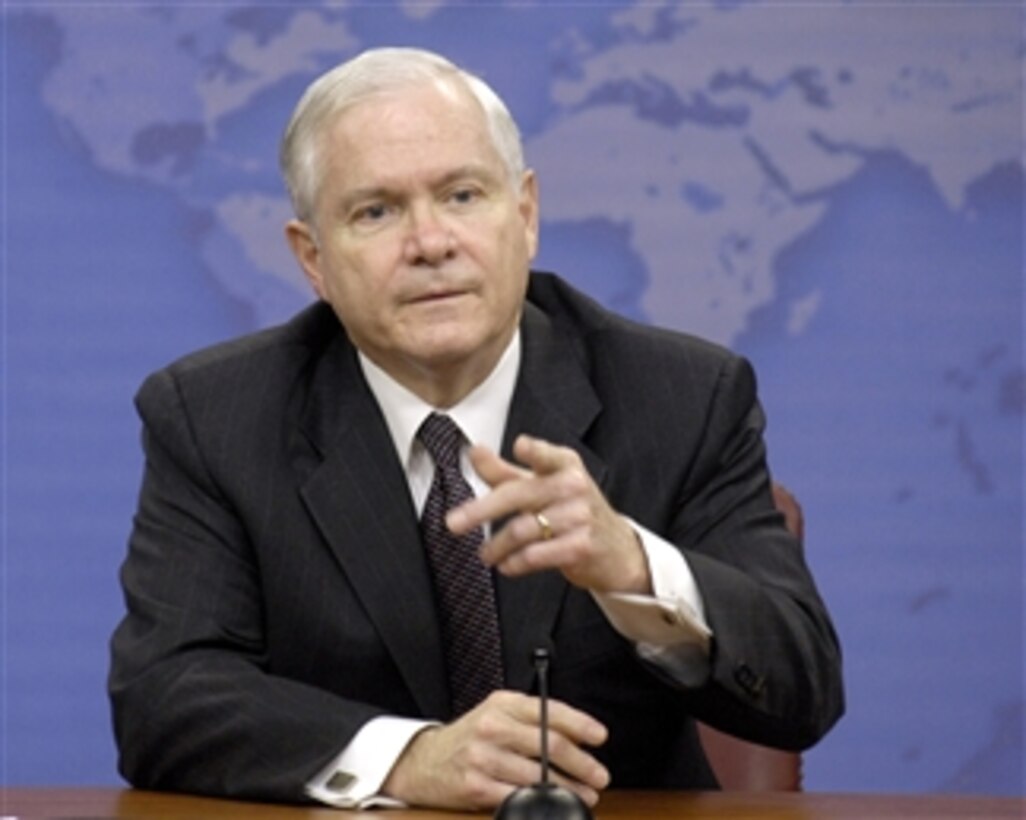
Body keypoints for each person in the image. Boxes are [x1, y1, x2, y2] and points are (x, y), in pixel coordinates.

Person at [109, 47, 843, 811]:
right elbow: (164, 698)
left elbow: (803, 689)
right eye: (376, 212)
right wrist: (412, 759)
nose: (430, 243)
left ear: (524, 216)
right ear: (313, 259)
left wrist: (630, 564)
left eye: (462, 195)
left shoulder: (682, 397)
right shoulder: (217, 416)